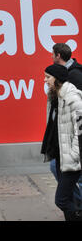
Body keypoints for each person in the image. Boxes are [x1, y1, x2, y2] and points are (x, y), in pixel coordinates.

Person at [41, 64, 82, 221]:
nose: (45, 80)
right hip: (60, 156)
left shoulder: (73, 99)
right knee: (68, 199)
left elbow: (80, 132)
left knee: (61, 200)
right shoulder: (55, 99)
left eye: (48, 77)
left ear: (57, 79)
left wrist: (73, 156)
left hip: (71, 159)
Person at [50, 43, 82, 207]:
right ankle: (76, 206)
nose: (46, 80)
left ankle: (77, 207)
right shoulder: (64, 80)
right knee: (56, 168)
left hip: (73, 144)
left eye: (48, 77)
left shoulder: (74, 76)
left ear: (58, 56)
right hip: (66, 141)